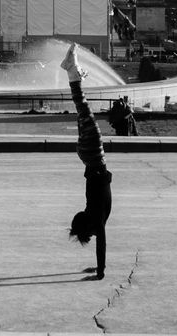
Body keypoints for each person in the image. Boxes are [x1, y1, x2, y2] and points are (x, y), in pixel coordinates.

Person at [62, 43, 112, 280]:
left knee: (85, 111)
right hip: (88, 157)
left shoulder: (97, 217)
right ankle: (72, 73)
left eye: (89, 235)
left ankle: (73, 74)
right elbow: (97, 239)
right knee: (83, 112)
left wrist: (100, 272)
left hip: (93, 155)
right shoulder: (93, 212)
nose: (93, 237)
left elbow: (101, 243)